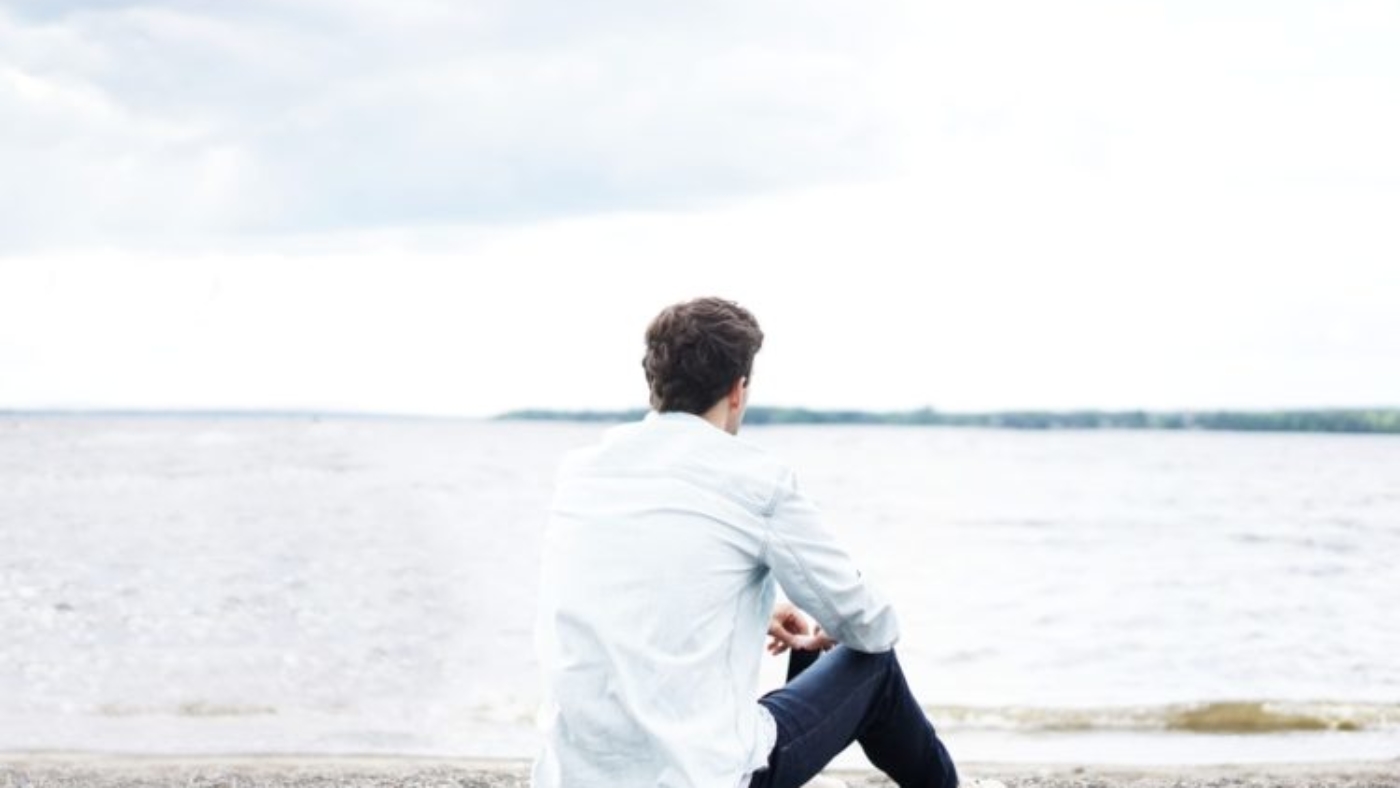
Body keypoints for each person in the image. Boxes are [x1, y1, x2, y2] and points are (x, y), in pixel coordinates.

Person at [530, 296, 960, 788]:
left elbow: (627, 591)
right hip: (700, 777)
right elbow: (871, 624)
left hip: (574, 775)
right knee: (875, 668)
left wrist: (755, 611)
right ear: (738, 390)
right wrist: (834, 628)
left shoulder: (582, 471)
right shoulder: (756, 481)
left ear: (654, 383)